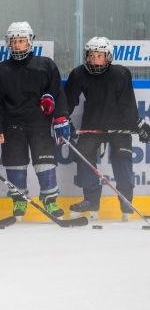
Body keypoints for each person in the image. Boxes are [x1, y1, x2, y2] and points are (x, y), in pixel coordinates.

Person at [0, 21, 69, 221]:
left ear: (30, 42)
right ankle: (19, 200)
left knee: (45, 162)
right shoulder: (0, 70)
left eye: (22, 41)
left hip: (40, 125)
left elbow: (57, 94)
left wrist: (60, 119)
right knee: (15, 163)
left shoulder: (46, 65)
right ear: (8, 43)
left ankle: (50, 201)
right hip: (12, 126)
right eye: (14, 41)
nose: (17, 45)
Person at [65, 36, 150, 220]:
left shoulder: (121, 74)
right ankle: (91, 200)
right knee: (83, 155)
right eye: (91, 55)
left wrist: (137, 123)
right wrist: (62, 119)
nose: (95, 59)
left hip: (119, 128)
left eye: (99, 55)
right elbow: (68, 100)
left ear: (108, 56)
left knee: (123, 159)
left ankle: (126, 203)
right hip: (92, 126)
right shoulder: (79, 74)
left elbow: (128, 104)